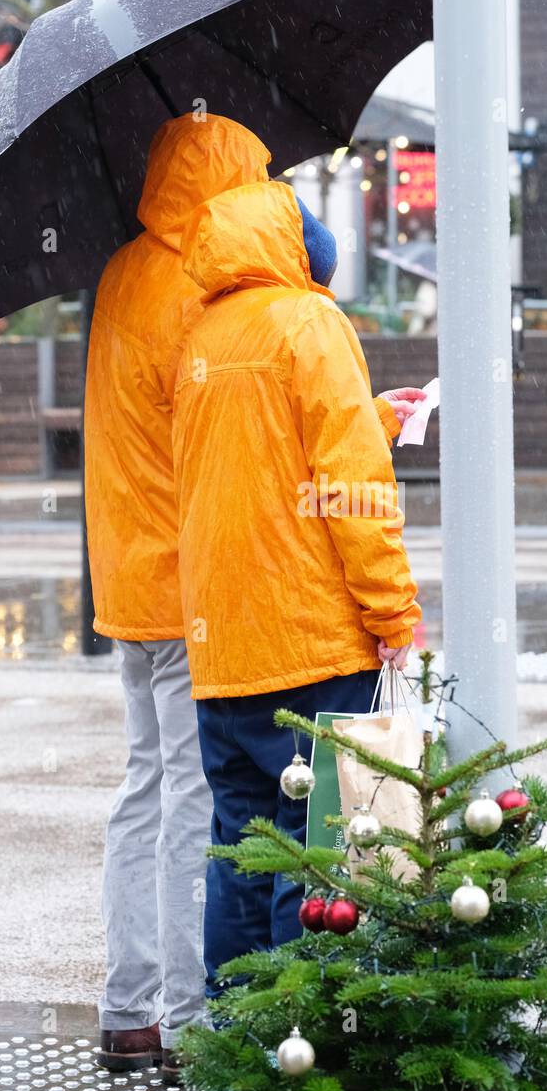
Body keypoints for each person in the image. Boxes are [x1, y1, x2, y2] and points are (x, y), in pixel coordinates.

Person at [85, 111, 423, 1073]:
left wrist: (357, 418)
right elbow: (279, 439)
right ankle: (210, 1029)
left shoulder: (124, 270)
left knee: (158, 791)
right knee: (252, 822)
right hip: (218, 589)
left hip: (135, 573)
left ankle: (134, 1004)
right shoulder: (205, 285)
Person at [173, 166, 422, 998]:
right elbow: (352, 489)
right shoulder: (311, 324)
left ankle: (233, 1054)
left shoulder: (204, 336)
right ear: (305, 257)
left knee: (241, 848)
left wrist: (376, 414)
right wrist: (393, 611)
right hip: (311, 642)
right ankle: (302, 1044)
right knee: (313, 852)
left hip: (223, 647)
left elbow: (255, 463)